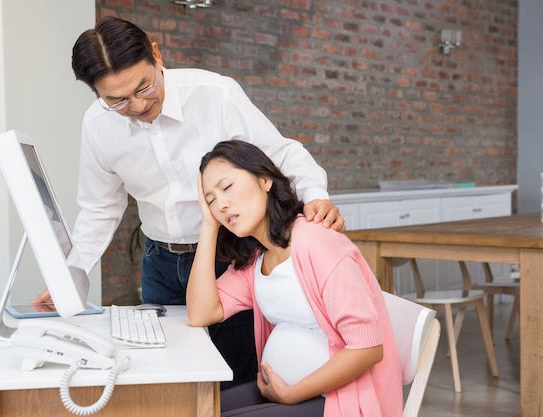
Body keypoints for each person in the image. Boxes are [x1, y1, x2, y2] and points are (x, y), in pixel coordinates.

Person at [32, 16, 344, 389]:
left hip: (228, 256)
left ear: (157, 55)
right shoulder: (98, 125)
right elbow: (101, 207)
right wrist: (72, 273)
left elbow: (280, 154)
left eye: (143, 87)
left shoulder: (215, 94)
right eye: (117, 100)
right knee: (171, 379)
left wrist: (317, 197)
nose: (136, 105)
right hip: (160, 264)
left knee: (233, 378)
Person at [187, 140, 402, 416]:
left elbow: (368, 348)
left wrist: (291, 394)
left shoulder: (316, 240)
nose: (223, 205)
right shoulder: (256, 258)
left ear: (264, 179)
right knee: (194, 409)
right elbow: (201, 313)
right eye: (211, 200)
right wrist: (208, 225)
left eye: (227, 187)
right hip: (283, 393)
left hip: (337, 399)